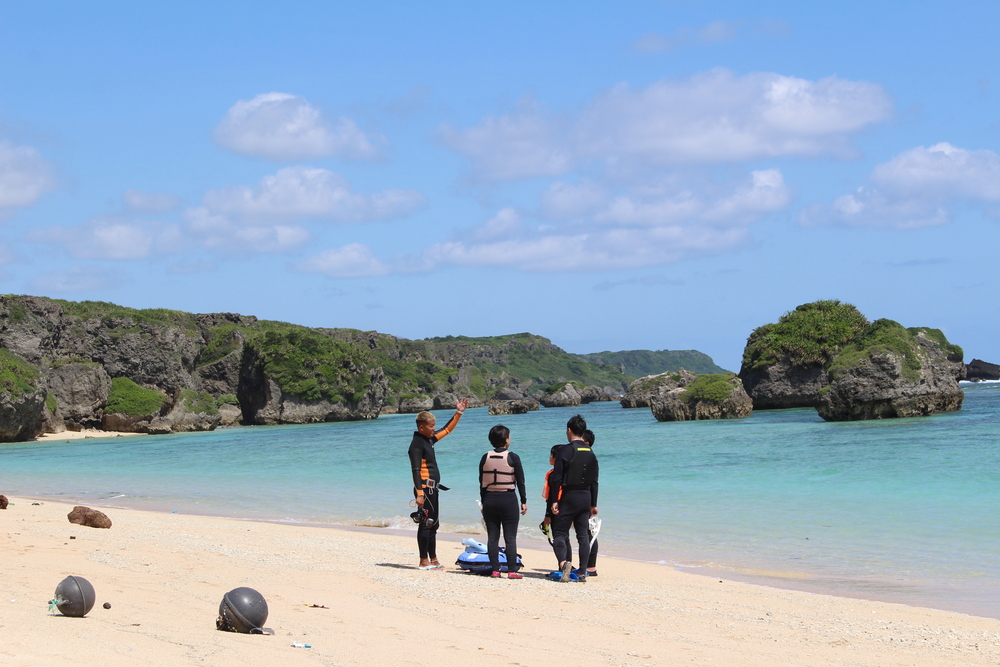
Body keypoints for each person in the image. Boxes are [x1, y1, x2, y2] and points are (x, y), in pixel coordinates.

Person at [408, 398, 469, 570]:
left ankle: (433, 558)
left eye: (434, 425)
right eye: (431, 426)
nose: (434, 428)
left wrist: (459, 412)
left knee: (433, 524)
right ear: (422, 427)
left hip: (433, 489)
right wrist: (420, 494)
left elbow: (447, 429)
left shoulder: (429, 440)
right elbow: (415, 471)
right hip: (424, 489)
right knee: (426, 523)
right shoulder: (416, 445)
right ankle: (423, 560)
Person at [549, 414, 599, 583]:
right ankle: (583, 572)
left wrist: (554, 500)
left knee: (559, 533)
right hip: (586, 497)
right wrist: (593, 503)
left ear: (569, 430)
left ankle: (564, 563)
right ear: (582, 432)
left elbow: (557, 477)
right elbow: (594, 480)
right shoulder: (590, 452)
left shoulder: (565, 450)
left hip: (569, 496)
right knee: (583, 536)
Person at [478, 424, 527, 579]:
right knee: (510, 537)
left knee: (492, 537)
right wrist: (524, 501)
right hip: (508, 500)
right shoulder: (513, 457)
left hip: (490, 499)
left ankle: (495, 570)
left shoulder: (485, 457)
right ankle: (511, 571)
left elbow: (482, 483)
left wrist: (484, 503)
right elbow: (521, 482)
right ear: (506, 439)